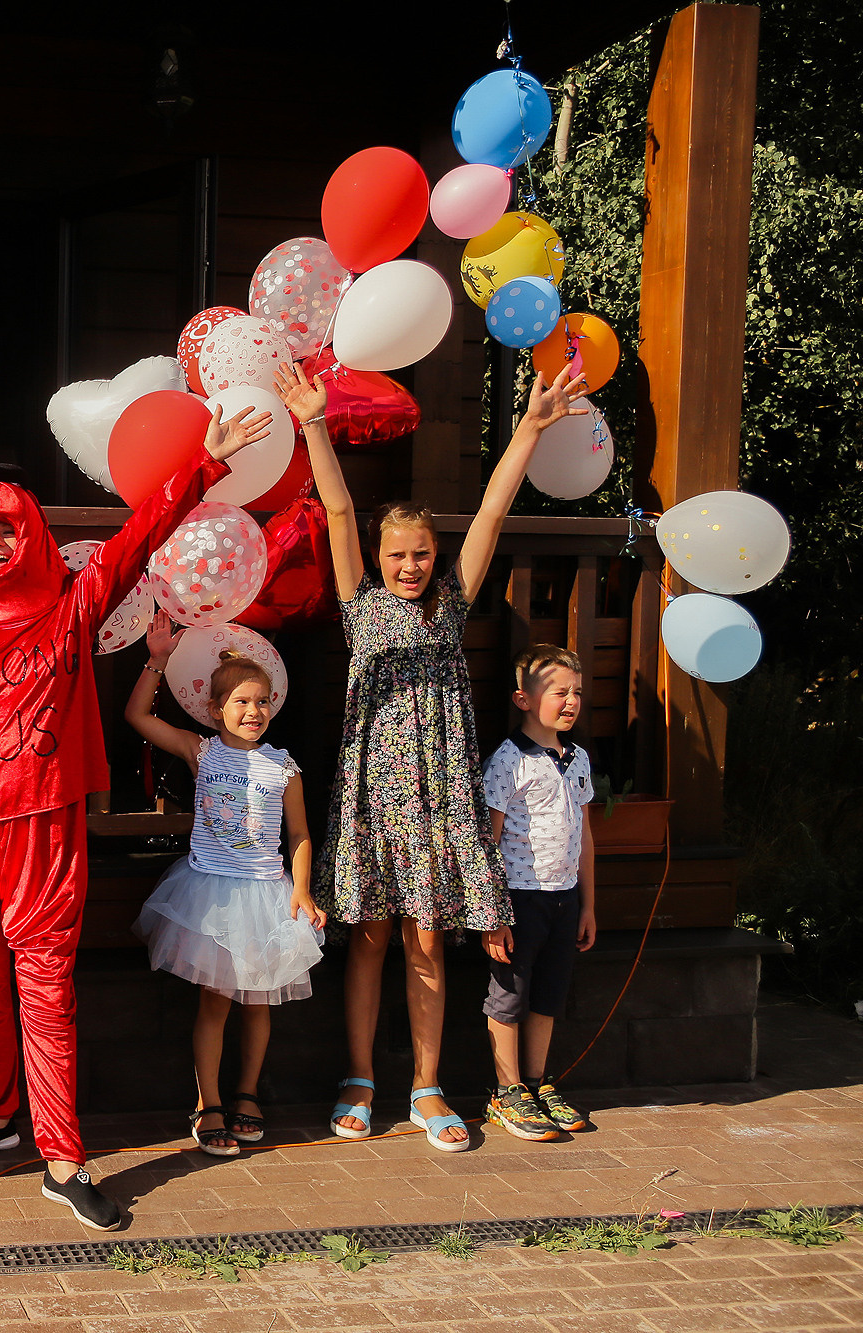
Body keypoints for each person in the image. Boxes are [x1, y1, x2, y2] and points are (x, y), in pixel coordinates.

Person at [0, 407, 266, 1230]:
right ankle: (1, 1117)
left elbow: (134, 542)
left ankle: (62, 1154)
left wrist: (203, 470)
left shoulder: (71, 607)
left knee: (43, 985)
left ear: (29, 532)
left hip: (41, 824)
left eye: (9, 530)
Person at [284, 359, 590, 1153]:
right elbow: (341, 508)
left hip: (439, 798)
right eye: (399, 555)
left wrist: (529, 426)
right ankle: (359, 1076)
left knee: (425, 938)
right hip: (371, 798)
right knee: (372, 937)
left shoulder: (450, 605)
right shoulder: (360, 606)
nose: (411, 565)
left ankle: (426, 1084)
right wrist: (314, 422)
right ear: (380, 560)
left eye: (422, 553)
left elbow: (491, 509)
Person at [125, 621, 323, 1158]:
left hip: (266, 895)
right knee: (215, 1004)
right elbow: (137, 716)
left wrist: (301, 890)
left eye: (262, 701)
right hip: (212, 898)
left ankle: (247, 1093)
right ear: (216, 708)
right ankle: (207, 1101)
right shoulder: (202, 751)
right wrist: (157, 660)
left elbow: (300, 833)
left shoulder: (283, 767)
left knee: (258, 1004)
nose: (253, 711)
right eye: (241, 701)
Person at [480, 645, 598, 1141]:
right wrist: (491, 913)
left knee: (548, 995)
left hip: (564, 897)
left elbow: (586, 833)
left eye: (576, 692)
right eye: (558, 692)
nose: (570, 701)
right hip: (518, 898)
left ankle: (536, 1082)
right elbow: (486, 838)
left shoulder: (578, 759)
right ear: (524, 699)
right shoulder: (508, 761)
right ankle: (506, 1092)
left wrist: (589, 903)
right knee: (509, 995)